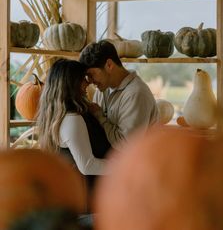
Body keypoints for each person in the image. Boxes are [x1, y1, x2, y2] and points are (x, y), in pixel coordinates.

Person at [37, 58, 111, 186]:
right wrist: (125, 166)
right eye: (83, 79)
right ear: (71, 84)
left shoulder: (57, 115)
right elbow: (87, 165)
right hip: (88, 193)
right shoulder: (72, 119)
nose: (88, 83)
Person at [79, 40, 158, 150]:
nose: (90, 81)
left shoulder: (136, 94)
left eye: (91, 75)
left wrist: (99, 116)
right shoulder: (102, 89)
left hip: (138, 165)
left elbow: (125, 146)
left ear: (109, 65)